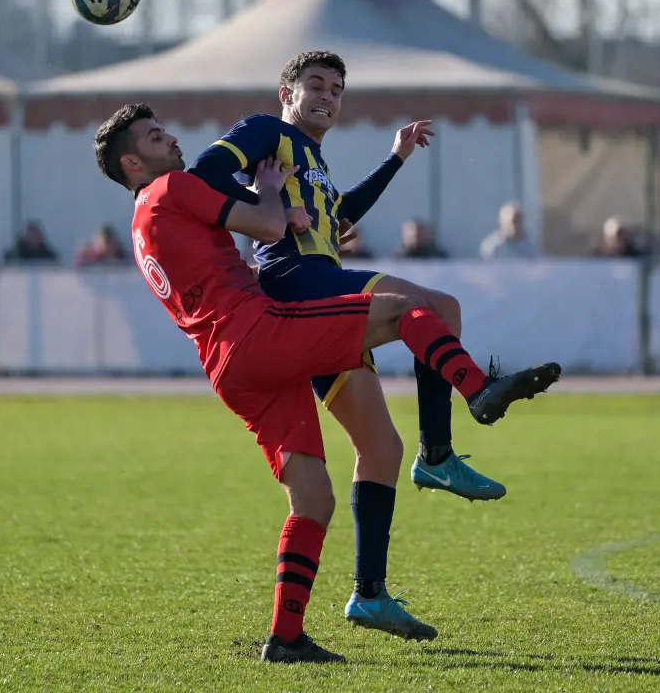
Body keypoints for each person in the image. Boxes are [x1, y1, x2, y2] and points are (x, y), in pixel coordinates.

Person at [94, 103, 561, 663]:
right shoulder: (171, 186)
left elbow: (264, 224)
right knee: (404, 310)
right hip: (256, 333)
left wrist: (293, 207)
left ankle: (285, 638)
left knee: (313, 498)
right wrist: (270, 190)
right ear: (132, 162)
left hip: (226, 366)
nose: (169, 138)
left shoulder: (143, 217)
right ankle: (475, 390)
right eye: (153, 136)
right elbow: (263, 224)